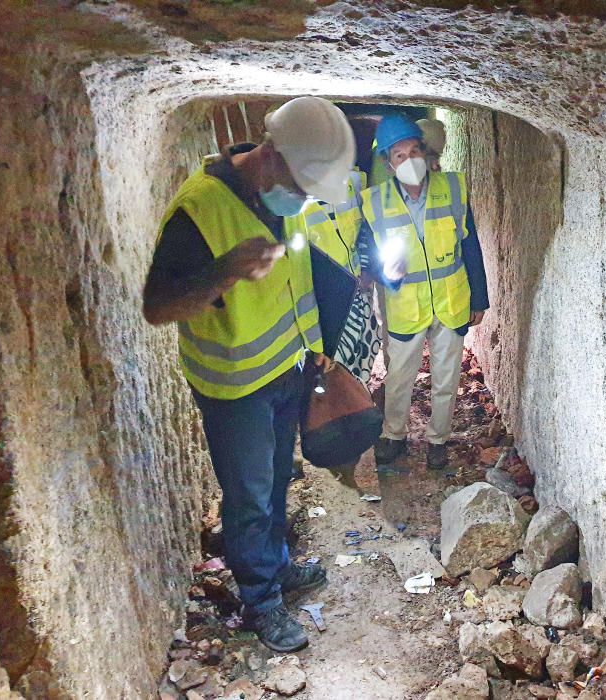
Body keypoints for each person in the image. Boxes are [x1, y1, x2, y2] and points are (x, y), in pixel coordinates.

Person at [142, 96, 355, 653]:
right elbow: (157, 306)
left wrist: (315, 349)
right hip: (236, 388)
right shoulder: (198, 211)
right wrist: (222, 272)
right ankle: (260, 602)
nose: (305, 201)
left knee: (279, 476)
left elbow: (297, 278)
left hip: (285, 370)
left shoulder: (283, 197)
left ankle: (276, 567)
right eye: (303, 187)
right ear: (270, 156)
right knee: (250, 496)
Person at [361, 113, 490, 469]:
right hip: (406, 306)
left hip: (451, 300)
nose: (409, 161)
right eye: (399, 156)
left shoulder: (452, 188)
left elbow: (470, 245)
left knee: (446, 378)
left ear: (425, 152)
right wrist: (388, 276)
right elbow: (372, 261)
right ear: (388, 163)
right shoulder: (373, 202)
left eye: (414, 151)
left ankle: (438, 440)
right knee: (399, 376)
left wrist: (479, 298)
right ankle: (394, 435)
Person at [301, 166, 380, 383]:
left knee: (361, 358)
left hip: (358, 292)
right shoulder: (293, 203)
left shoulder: (352, 181)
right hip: (323, 303)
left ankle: (358, 404)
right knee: (331, 366)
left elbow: (366, 227)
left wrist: (367, 268)